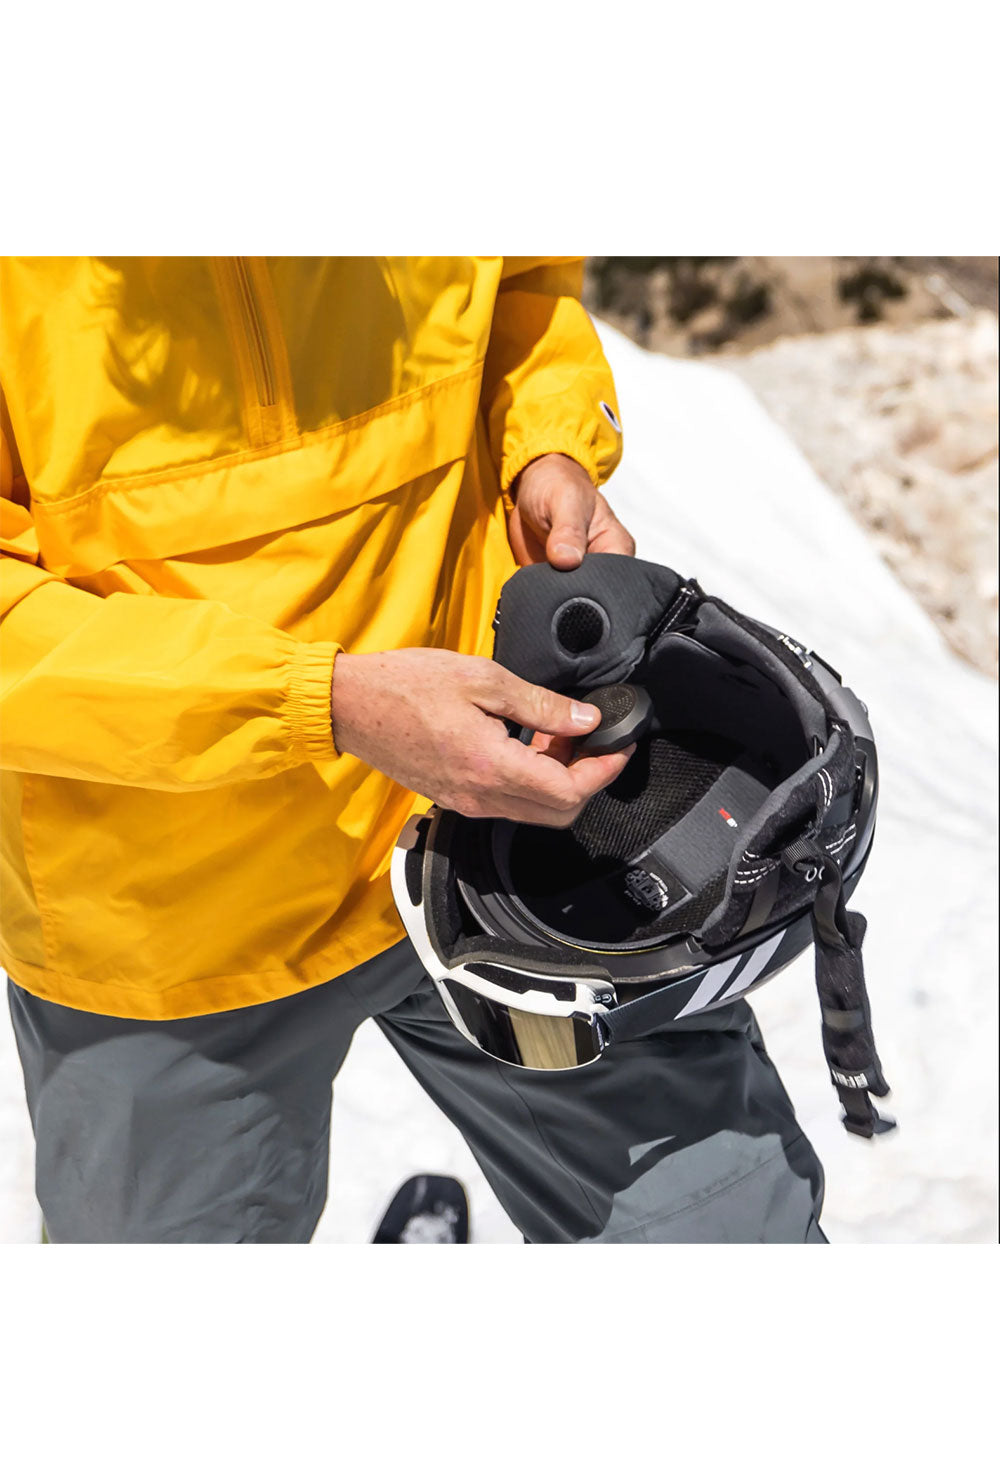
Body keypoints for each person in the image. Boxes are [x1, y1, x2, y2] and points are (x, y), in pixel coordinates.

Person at [0, 257, 825, 1243]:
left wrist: (545, 443)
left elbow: (520, 286)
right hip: (170, 929)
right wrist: (326, 703)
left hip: (519, 852)